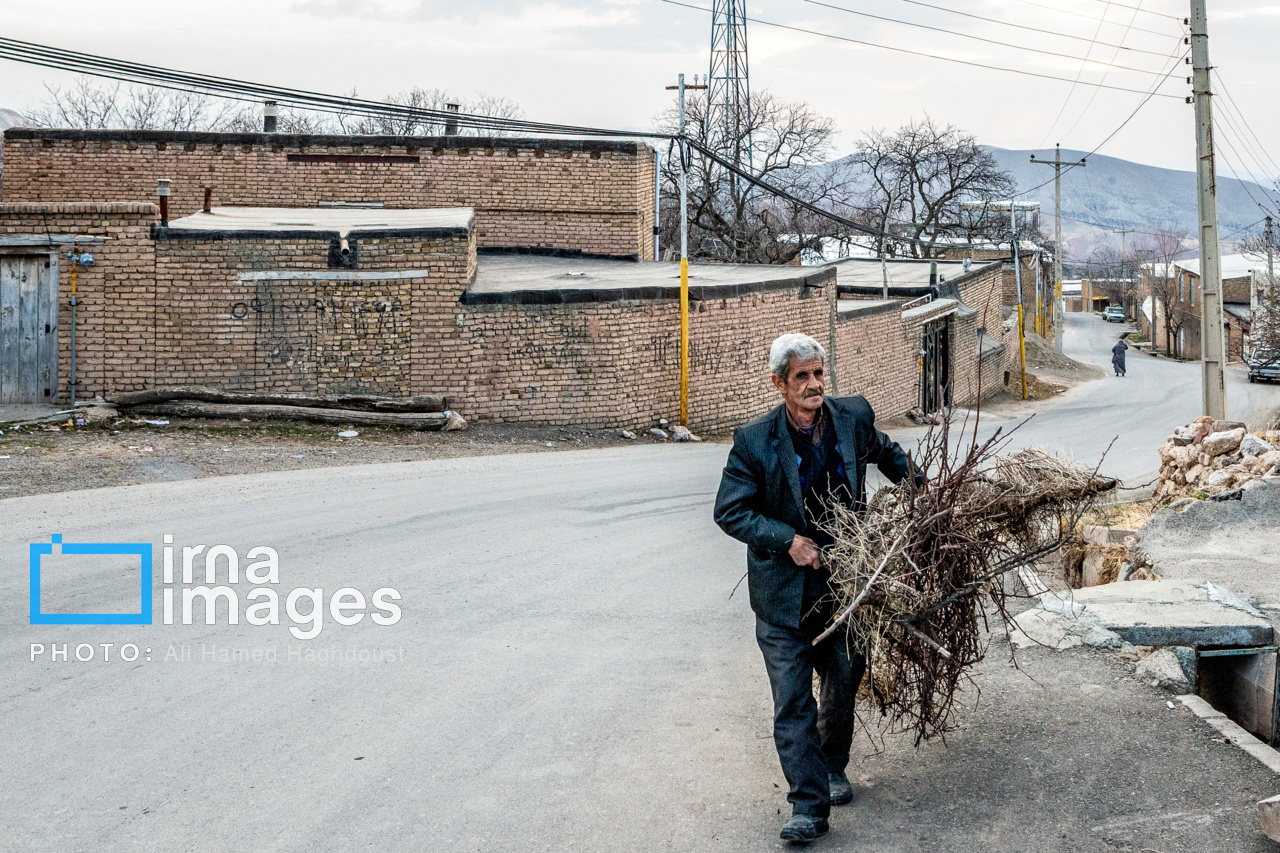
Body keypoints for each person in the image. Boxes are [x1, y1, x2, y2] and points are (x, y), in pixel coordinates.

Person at [713, 333, 915, 845]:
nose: (813, 384)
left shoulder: (851, 419)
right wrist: (787, 540)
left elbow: (889, 456)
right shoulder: (754, 441)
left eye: (818, 373)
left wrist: (925, 496)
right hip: (782, 597)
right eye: (801, 376)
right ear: (779, 383)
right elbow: (730, 511)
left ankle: (831, 765)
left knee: (844, 680)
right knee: (792, 702)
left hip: (845, 588)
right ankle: (807, 806)